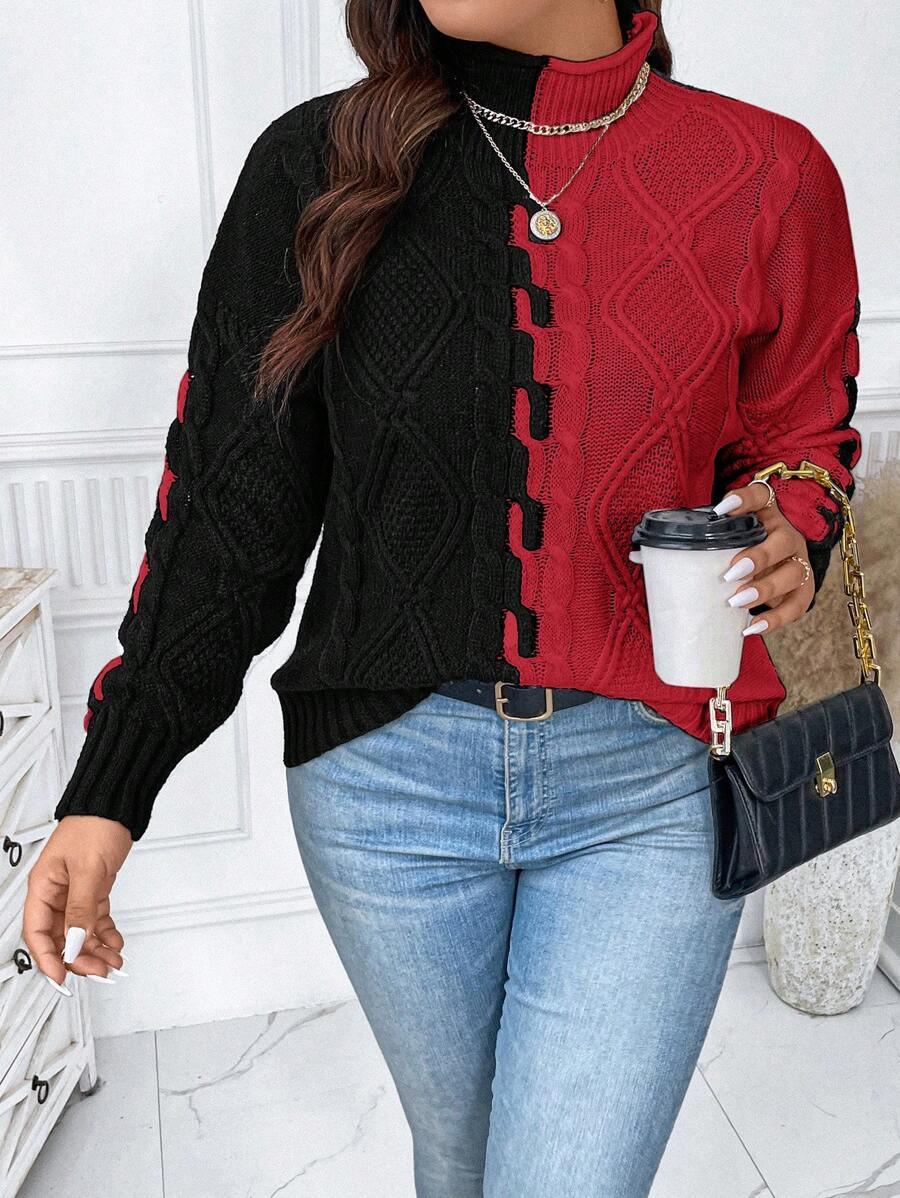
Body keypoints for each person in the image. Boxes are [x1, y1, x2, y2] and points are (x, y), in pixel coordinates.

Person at [23, 0, 863, 1193]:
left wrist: (793, 520)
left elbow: (801, 437)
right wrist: (112, 787)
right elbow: (230, 517)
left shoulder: (768, 171)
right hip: (384, 790)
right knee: (461, 1163)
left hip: (656, 784)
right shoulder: (315, 164)